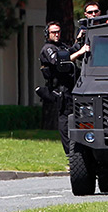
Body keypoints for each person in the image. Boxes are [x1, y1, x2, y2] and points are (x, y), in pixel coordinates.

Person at [37, 21, 89, 154]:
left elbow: (69, 52)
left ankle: (78, 150)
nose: (56, 34)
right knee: (65, 120)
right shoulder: (48, 48)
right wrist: (81, 51)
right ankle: (69, 153)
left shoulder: (61, 46)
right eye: (53, 32)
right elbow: (61, 63)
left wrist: (78, 41)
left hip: (70, 88)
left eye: (58, 31)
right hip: (61, 89)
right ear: (47, 34)